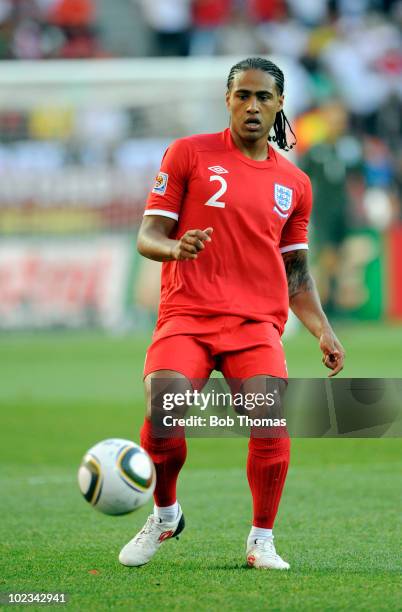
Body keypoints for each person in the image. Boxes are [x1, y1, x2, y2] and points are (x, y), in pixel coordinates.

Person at [119, 57, 345, 570]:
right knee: (164, 410)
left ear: (280, 104)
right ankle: (165, 513)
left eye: (263, 97)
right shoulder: (188, 153)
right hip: (188, 315)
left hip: (255, 325)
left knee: (269, 421)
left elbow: (297, 274)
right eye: (242, 95)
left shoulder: (295, 184)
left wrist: (323, 332)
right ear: (227, 99)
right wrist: (176, 249)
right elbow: (147, 236)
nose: (252, 105)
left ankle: (261, 540)